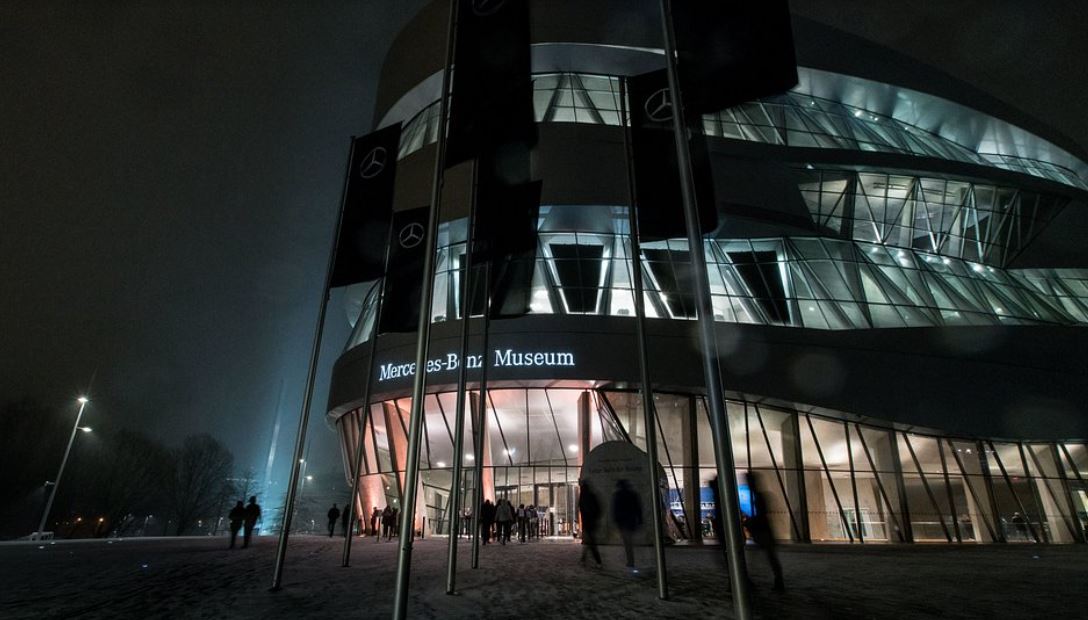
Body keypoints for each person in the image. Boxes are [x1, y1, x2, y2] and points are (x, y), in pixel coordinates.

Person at [744, 472, 784, 591]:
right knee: (769, 557)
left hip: (762, 532)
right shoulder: (759, 496)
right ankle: (778, 581)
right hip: (763, 532)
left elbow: (761, 515)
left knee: (767, 558)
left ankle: (777, 581)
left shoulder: (758, 497)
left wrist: (750, 522)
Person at [612, 479, 643, 569]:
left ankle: (630, 560)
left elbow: (615, 510)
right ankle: (631, 559)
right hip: (631, 521)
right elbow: (638, 509)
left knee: (627, 542)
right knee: (629, 541)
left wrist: (616, 521)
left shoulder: (617, 495)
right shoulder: (633, 494)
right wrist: (640, 520)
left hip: (623, 522)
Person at [578, 480, 602, 567]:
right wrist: (596, 518)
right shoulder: (592, 496)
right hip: (592, 522)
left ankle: (596, 561)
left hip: (586, 523)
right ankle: (586, 560)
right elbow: (598, 509)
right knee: (589, 542)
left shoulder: (582, 497)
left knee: (590, 542)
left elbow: (581, 509)